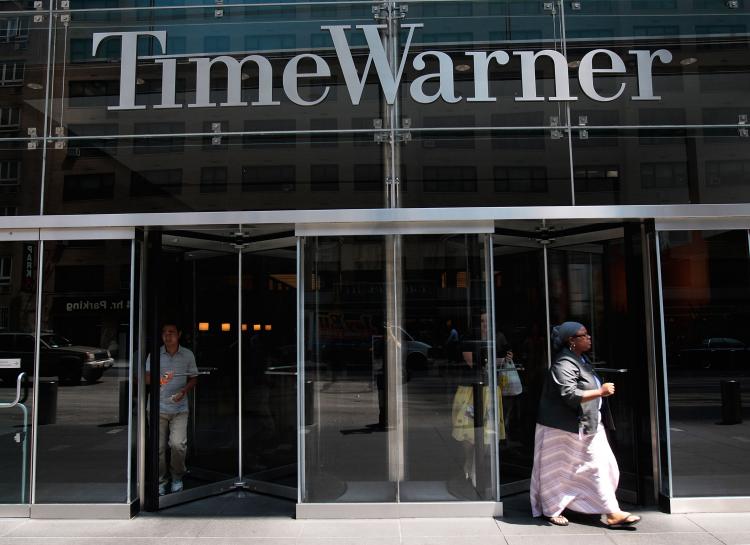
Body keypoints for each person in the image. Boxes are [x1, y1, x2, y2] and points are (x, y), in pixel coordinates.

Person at [530, 321, 640, 528]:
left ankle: (601, 508)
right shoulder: (564, 363)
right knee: (559, 470)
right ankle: (558, 509)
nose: (589, 338)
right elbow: (569, 394)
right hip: (563, 429)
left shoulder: (580, 359)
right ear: (571, 341)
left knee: (601, 466)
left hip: (586, 427)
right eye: (584, 335)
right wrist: (601, 391)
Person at [146, 322, 198, 496]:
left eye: (171, 332)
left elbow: (193, 378)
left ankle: (177, 477)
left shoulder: (187, 355)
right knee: (158, 447)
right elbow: (147, 379)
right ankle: (161, 480)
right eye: (164, 332)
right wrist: (163, 380)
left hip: (180, 407)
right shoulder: (155, 354)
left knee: (178, 445)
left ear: (179, 334)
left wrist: (184, 390)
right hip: (157, 406)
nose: (167, 336)